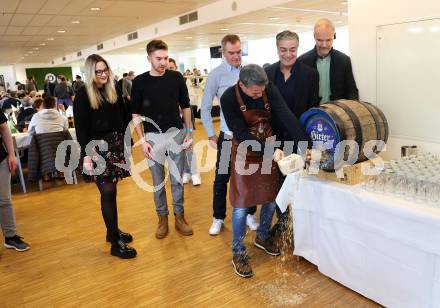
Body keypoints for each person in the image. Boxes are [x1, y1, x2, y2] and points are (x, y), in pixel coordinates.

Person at [221, 64, 307, 278]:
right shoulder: (228, 98)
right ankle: (238, 251)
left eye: (262, 92)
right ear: (242, 85)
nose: (260, 96)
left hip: (269, 147)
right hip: (244, 152)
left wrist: (306, 145)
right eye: (255, 93)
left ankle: (262, 235)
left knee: (271, 197)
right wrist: (269, 151)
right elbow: (240, 132)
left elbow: (285, 115)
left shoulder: (267, 88)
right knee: (242, 204)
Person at [73, 54, 136, 259]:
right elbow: (81, 130)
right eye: (98, 71)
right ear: (91, 73)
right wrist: (85, 156)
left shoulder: (114, 90)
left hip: (116, 145)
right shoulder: (83, 95)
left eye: (105, 70)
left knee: (112, 191)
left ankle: (113, 232)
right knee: (107, 192)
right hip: (95, 150)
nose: (103, 74)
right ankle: (115, 244)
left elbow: (125, 119)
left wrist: (128, 142)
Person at [132, 40, 194, 239]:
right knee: (158, 182)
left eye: (166, 58)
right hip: (152, 138)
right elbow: (135, 114)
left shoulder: (176, 78)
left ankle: (179, 217)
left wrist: (189, 132)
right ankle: (162, 218)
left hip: (176, 133)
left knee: (178, 180)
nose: (163, 62)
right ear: (148, 58)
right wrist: (142, 140)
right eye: (159, 59)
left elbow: (185, 106)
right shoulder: (140, 82)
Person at [265, 30, 320, 242]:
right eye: (283, 50)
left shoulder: (310, 74)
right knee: (277, 183)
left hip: (299, 137)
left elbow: (312, 109)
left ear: (298, 48)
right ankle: (283, 222)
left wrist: (309, 144)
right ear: (277, 48)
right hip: (275, 139)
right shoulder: (268, 73)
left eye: (293, 49)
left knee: (300, 182)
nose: (288, 54)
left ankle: (302, 225)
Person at [201, 34, 258, 235]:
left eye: (238, 52)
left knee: (249, 176)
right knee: (222, 177)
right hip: (227, 136)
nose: (236, 56)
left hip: (249, 136)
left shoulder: (249, 72)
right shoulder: (216, 75)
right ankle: (218, 217)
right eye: (232, 53)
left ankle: (251, 214)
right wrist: (210, 134)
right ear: (223, 53)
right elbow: (205, 107)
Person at [298, 18, 359, 103]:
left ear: (334, 36)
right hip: (312, 113)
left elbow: (351, 91)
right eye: (320, 40)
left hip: (337, 113)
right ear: (314, 36)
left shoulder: (344, 60)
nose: (324, 45)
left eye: (328, 40)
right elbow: (299, 93)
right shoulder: (302, 61)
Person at [0, 111, 30, 251]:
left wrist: (12, 154)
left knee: (4, 200)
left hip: (0, 159)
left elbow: (4, 128)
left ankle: (10, 236)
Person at [168, 58, 201, 186]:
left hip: (186, 121)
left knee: (189, 147)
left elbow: (191, 98)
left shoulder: (184, 80)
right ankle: (186, 172)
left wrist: (180, 102)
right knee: (179, 149)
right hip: (173, 123)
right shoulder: (165, 83)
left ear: (176, 67)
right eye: (168, 68)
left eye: (172, 67)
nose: (170, 70)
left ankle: (194, 173)